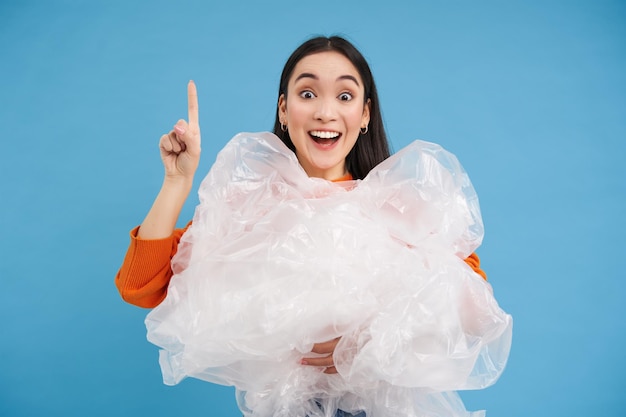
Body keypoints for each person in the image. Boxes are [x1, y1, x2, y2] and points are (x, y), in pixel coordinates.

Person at [116, 36, 511, 417]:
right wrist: (176, 182)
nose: (325, 112)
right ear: (284, 111)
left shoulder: (400, 204)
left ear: (365, 114)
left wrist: (377, 342)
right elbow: (142, 285)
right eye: (308, 94)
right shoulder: (250, 205)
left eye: (344, 96)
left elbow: (473, 309)